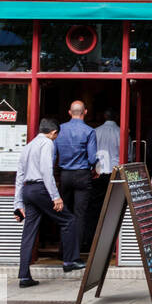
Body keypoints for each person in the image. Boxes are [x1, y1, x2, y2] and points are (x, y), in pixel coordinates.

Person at [13, 118, 74, 288]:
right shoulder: (47, 143)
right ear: (53, 133)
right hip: (41, 190)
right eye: (56, 136)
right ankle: (69, 261)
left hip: (28, 191)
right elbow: (47, 171)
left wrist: (17, 204)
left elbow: (19, 176)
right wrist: (55, 196)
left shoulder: (28, 146)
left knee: (28, 233)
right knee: (68, 220)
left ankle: (24, 276)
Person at [54, 100, 97, 269]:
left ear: (69, 112)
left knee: (64, 213)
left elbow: (53, 154)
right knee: (79, 215)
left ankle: (62, 251)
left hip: (64, 175)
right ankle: (74, 256)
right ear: (85, 112)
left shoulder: (60, 129)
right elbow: (93, 158)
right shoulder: (89, 131)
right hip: (82, 175)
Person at [86, 107, 122, 251]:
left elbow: (90, 154)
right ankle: (112, 244)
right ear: (117, 117)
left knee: (95, 209)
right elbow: (129, 156)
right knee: (114, 208)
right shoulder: (122, 132)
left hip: (98, 173)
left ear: (104, 117)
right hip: (115, 174)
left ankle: (92, 243)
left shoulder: (95, 131)